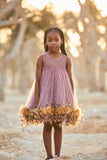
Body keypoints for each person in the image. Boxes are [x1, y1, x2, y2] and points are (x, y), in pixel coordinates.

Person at [19, 27, 83, 160]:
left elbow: (70, 80)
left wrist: (70, 98)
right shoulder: (41, 59)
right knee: (47, 124)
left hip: (61, 96)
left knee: (58, 125)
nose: (53, 42)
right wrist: (37, 100)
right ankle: (49, 155)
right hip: (45, 96)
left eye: (56, 40)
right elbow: (37, 80)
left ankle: (58, 155)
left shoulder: (66, 60)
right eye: (50, 40)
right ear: (46, 42)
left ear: (61, 41)